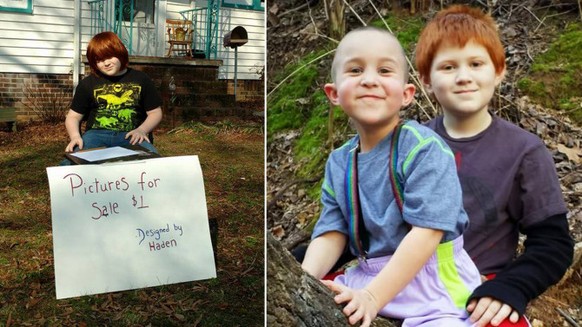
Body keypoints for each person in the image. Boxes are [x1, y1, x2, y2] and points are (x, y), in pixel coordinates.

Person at [301, 26, 483, 327]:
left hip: (433, 283)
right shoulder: (339, 162)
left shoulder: (424, 149)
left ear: (406, 94)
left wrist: (372, 298)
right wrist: (304, 280)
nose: (369, 80)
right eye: (355, 69)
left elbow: (426, 235)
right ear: (333, 93)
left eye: (385, 71)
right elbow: (333, 231)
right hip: (369, 275)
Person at [416, 5, 574, 327]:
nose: (464, 77)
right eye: (447, 67)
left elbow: (553, 244)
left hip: (480, 289)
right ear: (426, 80)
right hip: (404, 283)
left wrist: (511, 286)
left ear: (498, 71)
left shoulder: (524, 151)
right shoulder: (408, 146)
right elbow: (369, 222)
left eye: (476, 64)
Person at [63, 31, 163, 161]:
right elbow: (73, 116)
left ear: (120, 53)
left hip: (132, 135)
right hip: (95, 135)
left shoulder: (141, 79)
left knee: (153, 163)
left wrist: (142, 130)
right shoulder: (87, 84)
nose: (106, 63)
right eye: (99, 60)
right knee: (71, 164)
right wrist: (75, 137)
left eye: (109, 57)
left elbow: (155, 112)